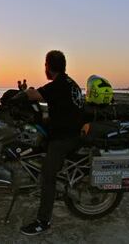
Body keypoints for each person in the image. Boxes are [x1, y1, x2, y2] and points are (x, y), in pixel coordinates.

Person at [17, 50, 84, 235]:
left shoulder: (59, 84)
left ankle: (43, 221)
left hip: (65, 138)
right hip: (70, 131)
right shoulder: (69, 83)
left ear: (49, 66)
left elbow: (35, 95)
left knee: (48, 176)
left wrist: (23, 93)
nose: (44, 68)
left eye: (45, 65)